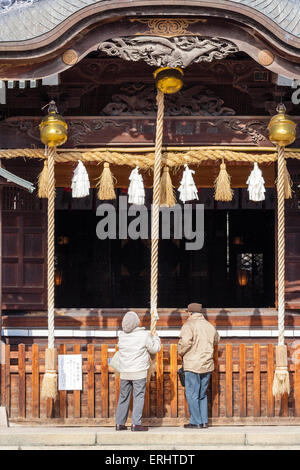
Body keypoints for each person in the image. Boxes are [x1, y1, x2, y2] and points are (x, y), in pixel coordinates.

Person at [115, 310, 161, 431]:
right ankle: (136, 423)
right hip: (139, 371)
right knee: (138, 396)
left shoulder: (121, 336)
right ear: (136, 323)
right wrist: (156, 338)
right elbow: (155, 349)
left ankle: (119, 423)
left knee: (123, 396)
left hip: (125, 371)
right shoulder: (143, 335)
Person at [178, 303, 219, 429]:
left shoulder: (188, 325)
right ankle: (204, 421)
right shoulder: (209, 326)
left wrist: (180, 351)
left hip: (193, 364)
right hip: (207, 364)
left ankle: (196, 421)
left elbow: (185, 343)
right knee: (202, 394)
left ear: (190, 313)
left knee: (192, 393)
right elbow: (216, 340)